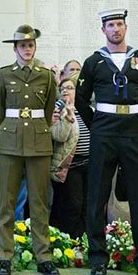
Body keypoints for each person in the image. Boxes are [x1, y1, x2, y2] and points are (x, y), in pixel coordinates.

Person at [75, 9, 138, 275]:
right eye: (111, 25)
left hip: (132, 131)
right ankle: (98, 260)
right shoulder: (93, 62)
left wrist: (136, 119)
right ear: (103, 30)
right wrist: (96, 124)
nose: (116, 29)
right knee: (97, 195)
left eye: (120, 24)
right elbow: (81, 99)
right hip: (104, 131)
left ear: (125, 27)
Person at [0, 24, 58, 275]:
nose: (27, 49)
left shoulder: (46, 76)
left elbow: (49, 108)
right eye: (22, 46)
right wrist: (8, 130)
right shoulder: (4, 75)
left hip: (39, 143)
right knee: (6, 202)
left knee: (39, 202)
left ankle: (44, 256)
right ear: (15, 49)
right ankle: (4, 256)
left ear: (34, 47)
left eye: (30, 45)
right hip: (9, 142)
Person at [49, 73, 90, 239]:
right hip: (70, 165)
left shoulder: (87, 110)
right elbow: (59, 136)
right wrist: (67, 117)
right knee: (73, 205)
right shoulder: (57, 111)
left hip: (90, 163)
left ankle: (85, 241)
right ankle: (71, 240)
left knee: (88, 205)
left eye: (70, 88)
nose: (65, 91)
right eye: (62, 88)